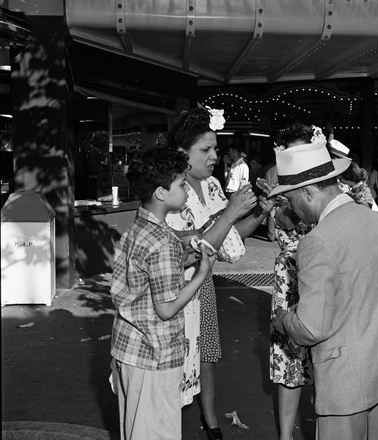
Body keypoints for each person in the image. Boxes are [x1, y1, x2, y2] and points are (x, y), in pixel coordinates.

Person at [270, 142, 378, 440]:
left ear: (307, 193)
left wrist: (282, 320)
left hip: (345, 382)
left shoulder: (318, 240)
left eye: (290, 200)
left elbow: (311, 328)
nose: (291, 208)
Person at [165, 106, 274, 439]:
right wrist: (229, 213)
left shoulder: (212, 186)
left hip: (204, 284)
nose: (216, 155)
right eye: (206, 150)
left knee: (207, 352)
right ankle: (164, 424)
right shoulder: (170, 190)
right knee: (172, 362)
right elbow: (187, 251)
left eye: (215, 148)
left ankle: (209, 418)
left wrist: (258, 214)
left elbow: (226, 239)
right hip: (175, 289)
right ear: (182, 154)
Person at [109, 147, 217, 440]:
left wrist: (182, 260)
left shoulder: (137, 227)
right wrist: (201, 274)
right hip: (154, 356)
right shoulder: (164, 241)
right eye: (182, 184)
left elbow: (143, 281)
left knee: (133, 429)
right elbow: (167, 309)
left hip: (128, 348)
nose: (186, 190)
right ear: (160, 192)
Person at [267, 121, 323, 440]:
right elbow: (287, 217)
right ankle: (285, 437)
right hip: (290, 283)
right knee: (291, 366)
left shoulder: (331, 183)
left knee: (326, 362)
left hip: (325, 277)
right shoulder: (282, 189)